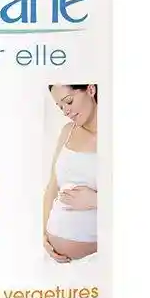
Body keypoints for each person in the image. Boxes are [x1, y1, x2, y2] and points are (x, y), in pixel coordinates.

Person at [43, 84, 98, 262]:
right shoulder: (67, 131)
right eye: (60, 107)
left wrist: (97, 200)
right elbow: (52, 187)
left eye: (68, 101)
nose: (66, 111)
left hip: (95, 261)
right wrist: (43, 236)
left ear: (90, 90)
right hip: (54, 259)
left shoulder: (114, 135)